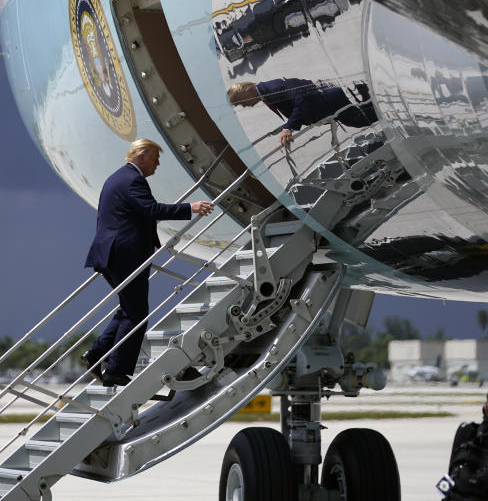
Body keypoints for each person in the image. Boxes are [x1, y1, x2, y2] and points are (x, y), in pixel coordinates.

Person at [82, 138, 213, 387]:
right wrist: (191, 207)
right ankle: (116, 370)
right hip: (124, 255)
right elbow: (151, 210)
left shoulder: (115, 178)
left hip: (109, 254)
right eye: (155, 158)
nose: (158, 164)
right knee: (137, 315)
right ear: (141, 156)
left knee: (128, 309)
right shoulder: (133, 180)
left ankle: (96, 354)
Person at [228, 78, 377, 147]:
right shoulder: (267, 93)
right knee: (361, 116)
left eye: (241, 102)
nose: (245, 106)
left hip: (329, 101)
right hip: (327, 104)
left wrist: (288, 127)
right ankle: (369, 93)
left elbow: (301, 103)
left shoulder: (273, 89)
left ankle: (375, 97)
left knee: (360, 119)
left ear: (246, 91)